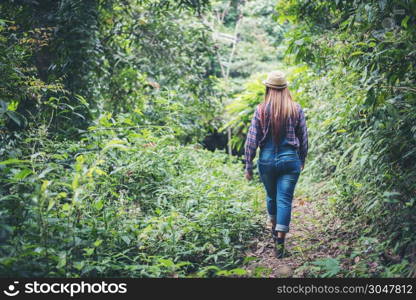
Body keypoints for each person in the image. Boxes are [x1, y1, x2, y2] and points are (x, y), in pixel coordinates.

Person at [244, 70, 308, 259]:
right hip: (290, 160)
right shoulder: (296, 109)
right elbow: (303, 137)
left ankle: (274, 230)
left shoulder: (261, 109)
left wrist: (248, 165)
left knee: (272, 197)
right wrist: (302, 159)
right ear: (285, 88)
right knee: (285, 199)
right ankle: (280, 242)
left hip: (267, 160)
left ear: (268, 88)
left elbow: (251, 140)